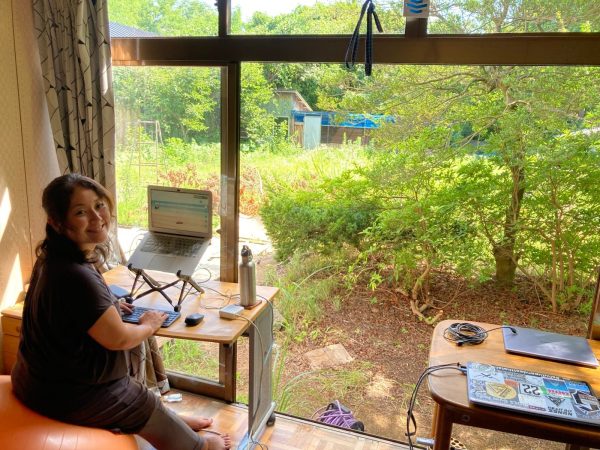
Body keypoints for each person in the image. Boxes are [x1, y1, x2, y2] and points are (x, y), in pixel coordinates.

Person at [11, 174, 231, 450]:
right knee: (144, 400)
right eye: (80, 212)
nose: (97, 217)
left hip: (33, 379)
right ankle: (200, 444)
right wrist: (149, 324)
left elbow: (78, 308)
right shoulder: (76, 276)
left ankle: (168, 417)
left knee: (139, 390)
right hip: (69, 394)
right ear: (57, 222)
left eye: (99, 205)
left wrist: (111, 305)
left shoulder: (52, 257)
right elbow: (119, 339)